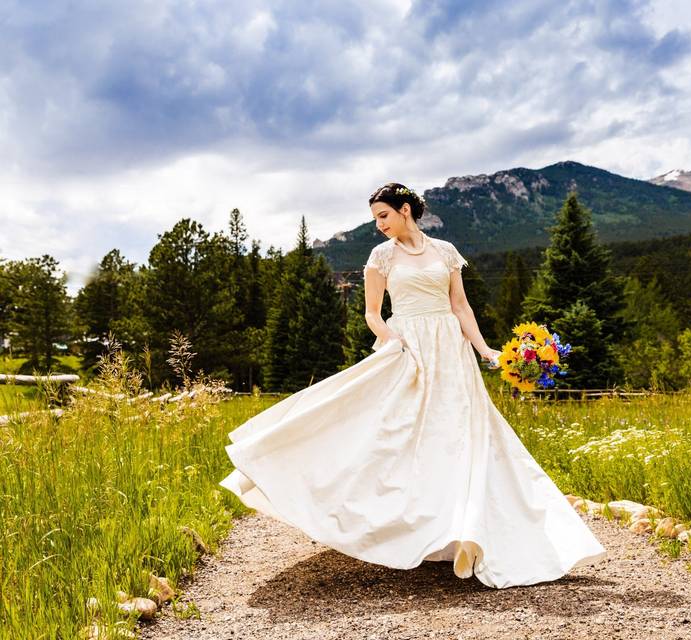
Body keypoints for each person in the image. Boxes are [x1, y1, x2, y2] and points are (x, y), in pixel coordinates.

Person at [219, 183, 607, 588]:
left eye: (383, 216)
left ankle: (459, 531)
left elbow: (460, 306)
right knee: (400, 434)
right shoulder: (381, 256)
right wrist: (395, 343)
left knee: (460, 436)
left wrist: (485, 349)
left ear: (406, 210)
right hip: (410, 350)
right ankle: (404, 525)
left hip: (452, 353)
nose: (379, 225)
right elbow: (372, 313)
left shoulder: (445, 251)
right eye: (375, 219)